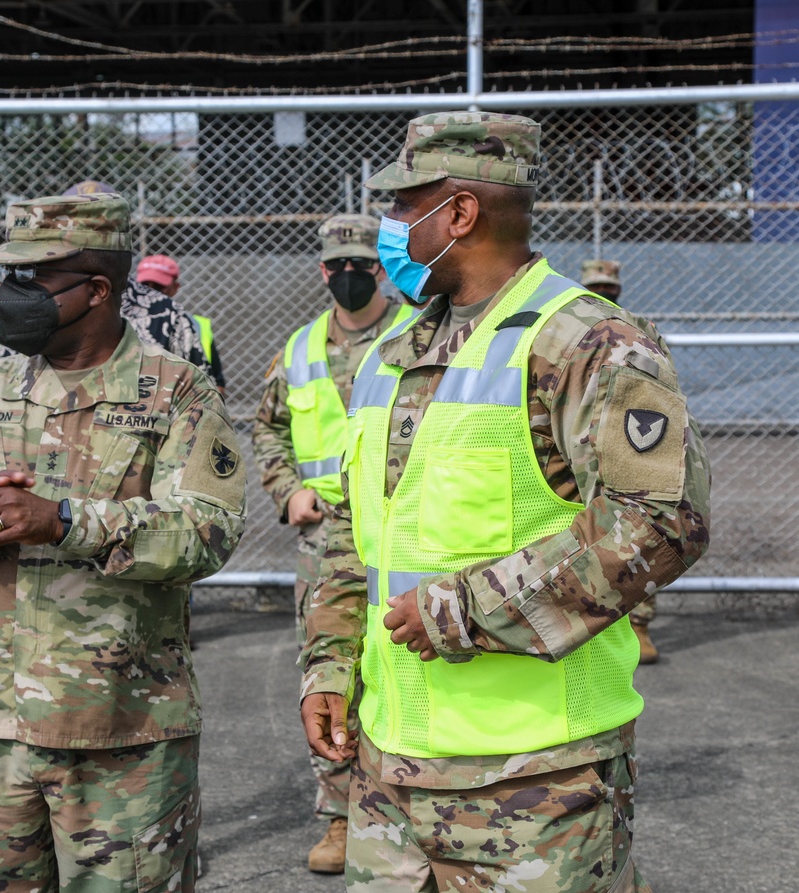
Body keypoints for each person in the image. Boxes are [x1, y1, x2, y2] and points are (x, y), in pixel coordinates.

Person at [300, 112, 711, 892]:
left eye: (401, 207)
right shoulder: (391, 357)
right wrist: (327, 667)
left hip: (533, 788)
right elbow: (361, 534)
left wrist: (462, 608)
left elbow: (661, 522)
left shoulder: (588, 343)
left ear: (457, 214)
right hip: (388, 774)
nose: (390, 231)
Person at [0, 193, 246, 893]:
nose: (12, 296)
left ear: (98, 289)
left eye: (35, 279)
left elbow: (207, 532)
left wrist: (66, 521)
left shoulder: (177, 395)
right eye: (9, 276)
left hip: (123, 734)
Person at [252, 213, 413, 874]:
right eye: (337, 265)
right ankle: (341, 816)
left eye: (364, 266)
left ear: (383, 270)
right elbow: (267, 431)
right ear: (323, 271)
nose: (350, 276)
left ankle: (407, 811)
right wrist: (288, 489)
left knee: (407, 662)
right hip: (328, 537)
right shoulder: (298, 349)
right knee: (330, 669)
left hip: (405, 531)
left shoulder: (418, 334)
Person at [0, 182, 212, 380]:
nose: (15, 287)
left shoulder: (165, 315)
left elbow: (198, 384)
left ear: (97, 289)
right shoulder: (19, 321)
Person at [581, 258, 658, 664]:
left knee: (638, 528)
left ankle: (640, 621)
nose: (603, 294)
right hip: (580, 447)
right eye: (596, 287)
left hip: (623, 442)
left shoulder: (634, 331)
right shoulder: (570, 333)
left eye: (609, 290)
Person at [136, 254, 227, 395]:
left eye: (159, 287)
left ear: (175, 287)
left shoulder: (194, 325)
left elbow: (217, 383)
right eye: (144, 286)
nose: (151, 292)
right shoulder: (119, 322)